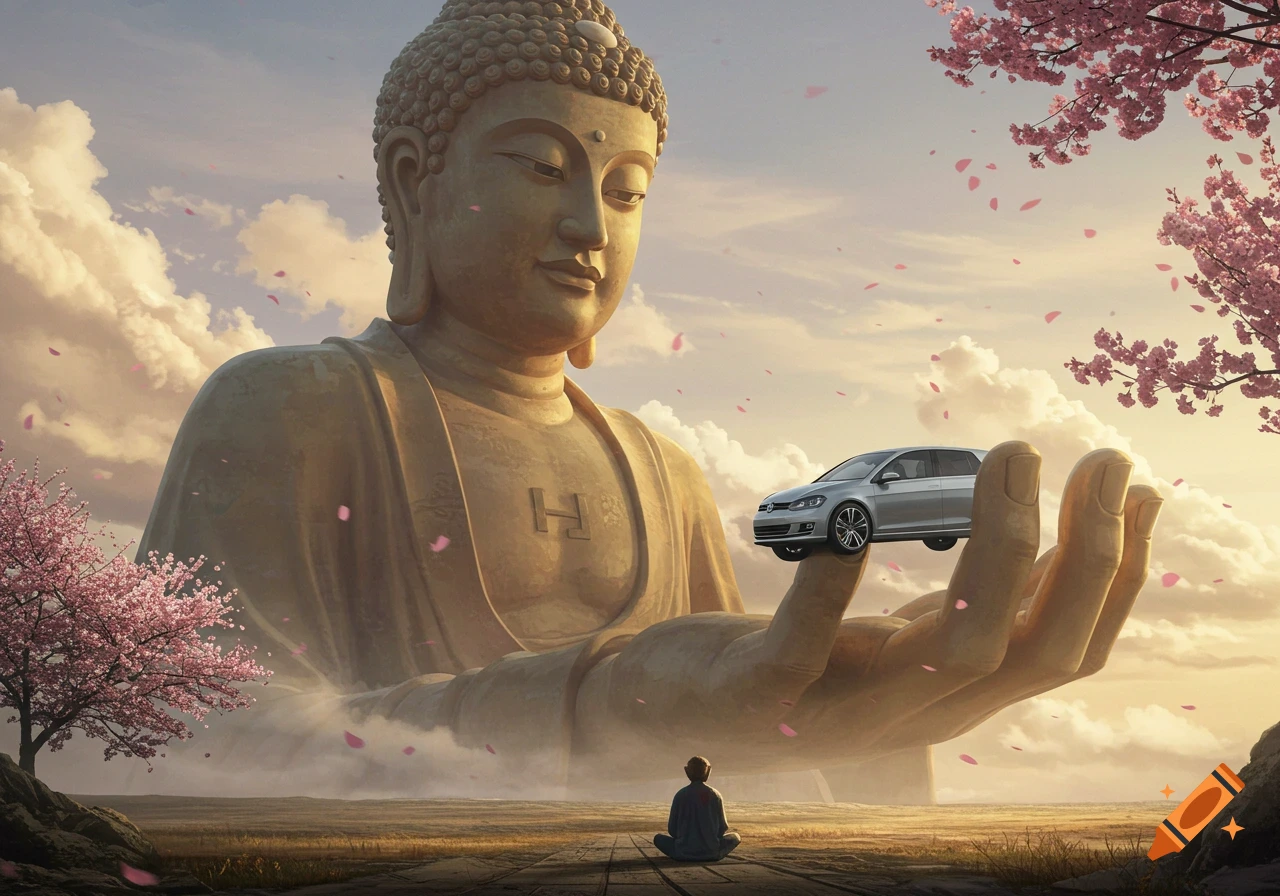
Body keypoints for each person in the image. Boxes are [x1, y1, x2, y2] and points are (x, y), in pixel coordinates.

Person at [132, 0, 1165, 802]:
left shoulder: (657, 466)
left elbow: (740, 711)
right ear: (413, 184)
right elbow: (184, 735)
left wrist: (864, 721)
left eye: (626, 189)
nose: (589, 222)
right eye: (543, 166)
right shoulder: (290, 408)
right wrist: (603, 712)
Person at [654, 756, 740, 862]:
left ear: (687, 771)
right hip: (711, 852)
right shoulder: (715, 794)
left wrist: (685, 838)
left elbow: (672, 829)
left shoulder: (680, 795)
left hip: (683, 852)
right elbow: (723, 828)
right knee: (736, 837)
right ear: (708, 771)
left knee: (658, 838)